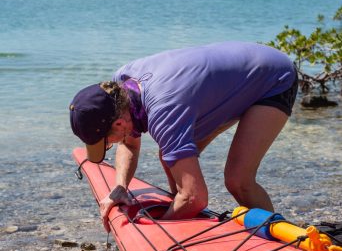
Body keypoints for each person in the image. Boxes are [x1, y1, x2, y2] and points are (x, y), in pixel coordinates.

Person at [70, 41, 298, 232]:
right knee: (168, 157)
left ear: (119, 123)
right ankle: (184, 213)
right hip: (238, 75)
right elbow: (130, 145)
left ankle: (286, 239)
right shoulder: (121, 88)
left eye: (108, 142)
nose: (112, 145)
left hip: (274, 78)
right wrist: (120, 186)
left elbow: (196, 197)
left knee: (238, 180)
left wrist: (159, 227)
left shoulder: (163, 114)